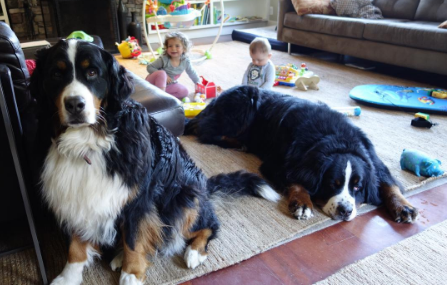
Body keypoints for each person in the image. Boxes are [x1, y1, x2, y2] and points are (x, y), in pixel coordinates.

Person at [146, 32, 200, 99]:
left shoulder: (185, 61)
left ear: (184, 48)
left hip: (167, 85)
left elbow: (192, 72)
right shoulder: (164, 59)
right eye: (170, 46)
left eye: (177, 46)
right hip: (152, 83)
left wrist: (198, 83)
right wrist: (165, 76)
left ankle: (163, 96)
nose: (173, 49)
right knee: (162, 73)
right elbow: (149, 67)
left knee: (184, 92)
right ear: (166, 48)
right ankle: (160, 98)